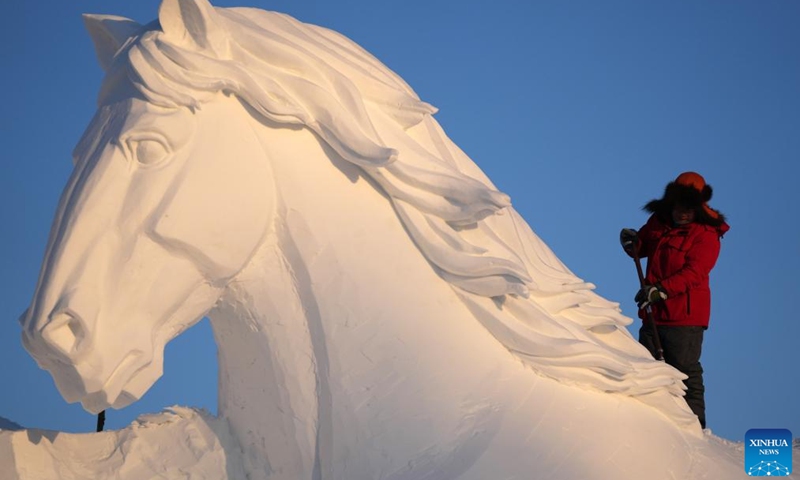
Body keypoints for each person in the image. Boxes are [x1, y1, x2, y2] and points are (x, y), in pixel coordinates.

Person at [619, 171, 729, 429]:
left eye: (689, 208)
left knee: (684, 371)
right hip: (653, 313)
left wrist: (661, 289)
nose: (683, 213)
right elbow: (641, 248)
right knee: (648, 368)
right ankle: (654, 424)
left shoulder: (705, 235)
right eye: (679, 206)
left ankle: (695, 426)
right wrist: (631, 242)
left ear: (698, 208)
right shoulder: (659, 223)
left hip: (685, 317)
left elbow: (695, 272)